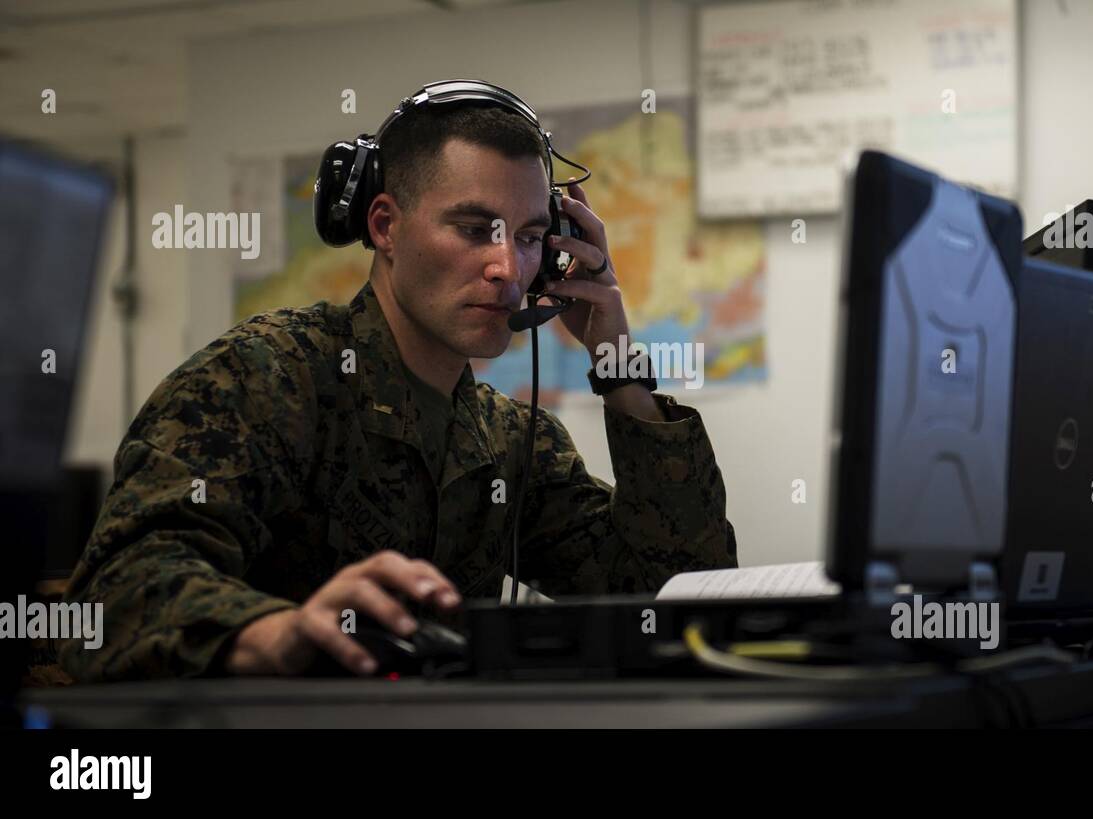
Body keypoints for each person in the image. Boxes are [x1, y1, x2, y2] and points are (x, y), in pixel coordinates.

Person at [59, 85, 738, 681]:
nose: (509, 266)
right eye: (476, 228)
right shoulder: (266, 377)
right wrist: (277, 632)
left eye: (531, 236)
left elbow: (668, 591)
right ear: (384, 225)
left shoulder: (509, 440)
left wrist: (617, 358)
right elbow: (115, 594)